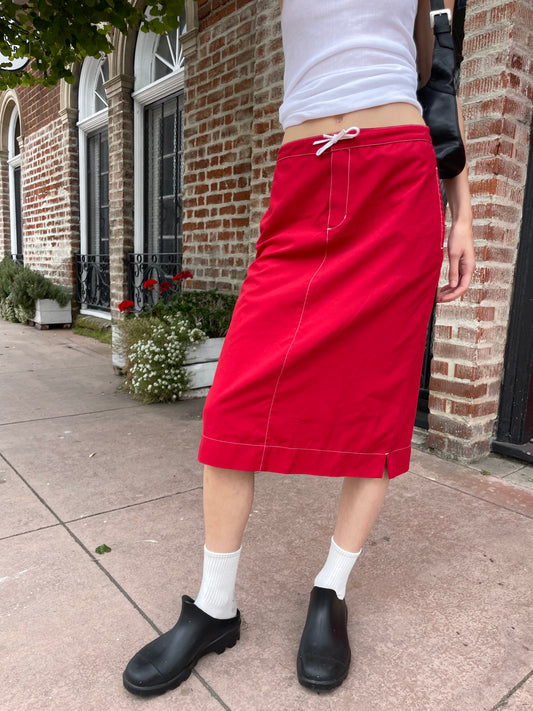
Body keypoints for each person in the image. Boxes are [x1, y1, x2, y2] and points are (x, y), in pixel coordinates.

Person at [123, 0, 475, 695]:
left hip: (397, 182)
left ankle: (329, 590)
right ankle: (214, 605)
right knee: (233, 402)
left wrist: (462, 210)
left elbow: (437, 81)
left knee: (377, 401)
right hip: (303, 180)